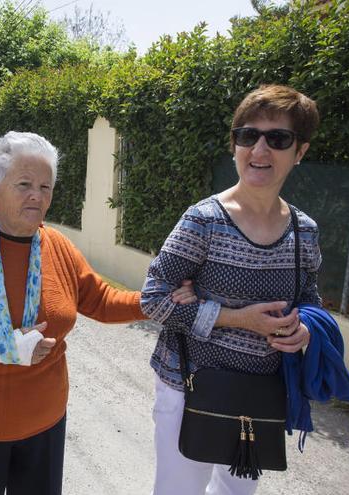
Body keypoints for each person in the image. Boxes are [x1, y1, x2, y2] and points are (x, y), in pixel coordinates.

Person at [0, 131, 196, 495]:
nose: (37, 195)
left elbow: (101, 300)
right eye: (25, 184)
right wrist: (2, 347)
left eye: (46, 187)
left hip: (44, 425)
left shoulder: (58, 246)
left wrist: (159, 301)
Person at [141, 84, 321, 495]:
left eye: (277, 139)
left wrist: (305, 329)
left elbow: (310, 299)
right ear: (234, 145)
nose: (259, 149)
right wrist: (238, 319)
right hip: (190, 387)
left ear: (300, 151)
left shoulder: (304, 230)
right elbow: (153, 297)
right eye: (247, 135)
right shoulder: (204, 220)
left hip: (259, 394)